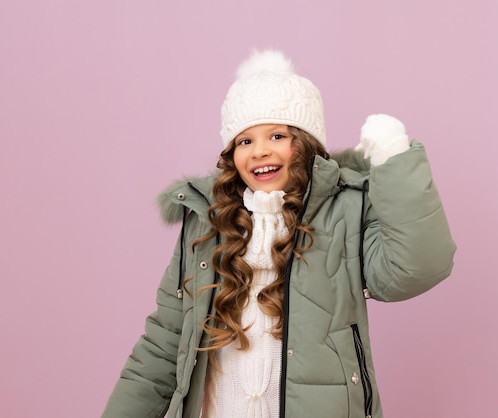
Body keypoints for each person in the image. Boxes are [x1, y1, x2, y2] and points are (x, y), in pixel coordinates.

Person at [102, 49, 456, 418]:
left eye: (276, 135)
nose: (259, 152)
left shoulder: (344, 211)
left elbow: (413, 271)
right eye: (245, 141)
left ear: (304, 144)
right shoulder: (208, 220)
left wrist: (395, 162)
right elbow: (165, 341)